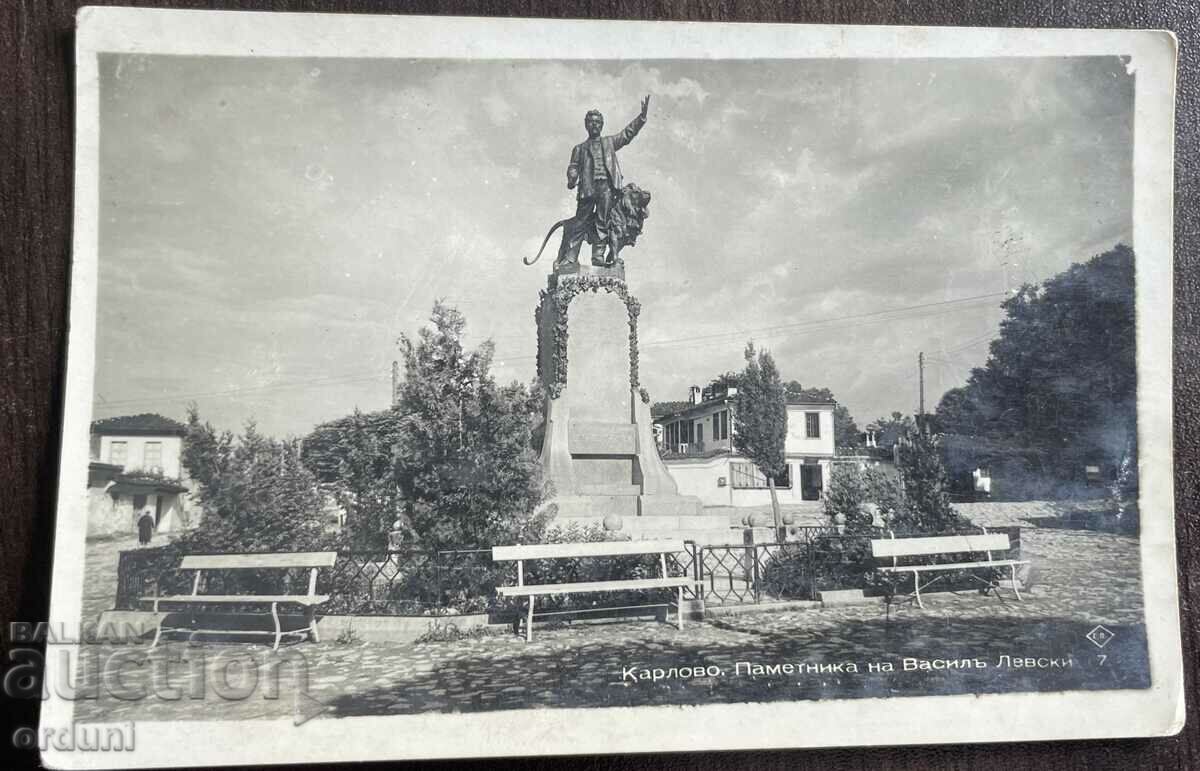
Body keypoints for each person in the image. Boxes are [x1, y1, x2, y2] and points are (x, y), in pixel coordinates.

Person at [556, 95, 650, 268]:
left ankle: (597, 256)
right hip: (587, 189)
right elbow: (573, 165)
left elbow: (626, 135)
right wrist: (572, 177)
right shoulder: (579, 148)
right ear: (586, 125)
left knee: (603, 220)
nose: (595, 125)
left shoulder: (609, 142)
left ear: (602, 125)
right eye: (591, 122)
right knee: (580, 222)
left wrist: (641, 118)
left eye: (598, 122)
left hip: (606, 188)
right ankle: (570, 257)